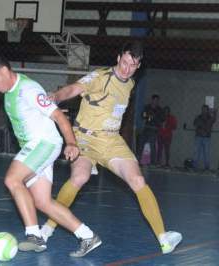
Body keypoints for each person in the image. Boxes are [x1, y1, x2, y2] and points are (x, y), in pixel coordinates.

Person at [40, 42, 182, 255]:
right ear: (118, 58)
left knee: (138, 181)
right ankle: (46, 231)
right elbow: (73, 89)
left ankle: (164, 239)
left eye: (132, 65)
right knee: (79, 178)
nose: (126, 69)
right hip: (85, 139)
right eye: (124, 62)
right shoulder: (100, 77)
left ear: (138, 66)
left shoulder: (131, 84)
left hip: (111, 141)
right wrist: (56, 96)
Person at [0, 55, 101, 257]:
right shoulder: (9, 93)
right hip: (36, 147)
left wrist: (72, 142)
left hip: (44, 144)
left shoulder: (28, 89)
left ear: (4, 70)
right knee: (43, 202)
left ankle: (34, 236)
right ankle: (87, 236)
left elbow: (59, 116)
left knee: (12, 179)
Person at [137, 94, 164, 166]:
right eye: (154, 100)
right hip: (146, 127)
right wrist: (148, 116)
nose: (155, 102)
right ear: (152, 100)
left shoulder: (159, 109)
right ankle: (138, 160)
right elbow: (143, 115)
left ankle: (153, 162)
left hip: (154, 129)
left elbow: (162, 119)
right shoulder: (147, 107)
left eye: (157, 101)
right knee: (141, 144)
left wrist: (154, 117)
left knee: (152, 146)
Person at [192, 104, 217, 170]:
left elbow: (214, 120)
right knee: (196, 152)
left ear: (207, 110)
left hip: (206, 138)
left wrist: (215, 113)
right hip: (198, 137)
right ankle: (194, 166)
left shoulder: (210, 117)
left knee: (206, 153)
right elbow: (194, 124)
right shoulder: (198, 117)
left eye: (205, 109)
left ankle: (206, 167)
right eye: (203, 109)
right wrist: (196, 119)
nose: (204, 110)